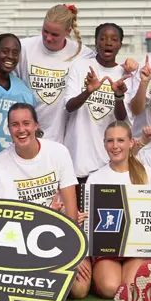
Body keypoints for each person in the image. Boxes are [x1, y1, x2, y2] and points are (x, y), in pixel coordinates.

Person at [0, 103, 88, 297]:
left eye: (26, 123)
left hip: (60, 233)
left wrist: (73, 254)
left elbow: (71, 207)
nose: (21, 130)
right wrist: (45, 217)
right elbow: (8, 220)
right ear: (8, 129)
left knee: (79, 290)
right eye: (15, 124)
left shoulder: (58, 152)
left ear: (36, 125)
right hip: (23, 239)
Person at [86, 121, 151, 299]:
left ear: (131, 143)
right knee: (111, 288)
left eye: (120, 140)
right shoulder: (95, 178)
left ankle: (145, 274)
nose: (115, 146)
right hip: (108, 250)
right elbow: (90, 221)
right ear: (104, 144)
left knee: (130, 287)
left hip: (138, 247)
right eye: (110, 141)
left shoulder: (147, 173)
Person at [63, 23, 131, 183]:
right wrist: (88, 91)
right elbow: (69, 107)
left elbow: (121, 119)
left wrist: (118, 96)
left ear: (120, 44)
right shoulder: (80, 67)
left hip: (108, 162)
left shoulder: (125, 74)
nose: (108, 43)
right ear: (95, 42)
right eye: (103, 38)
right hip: (79, 160)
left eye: (114, 39)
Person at [18, 4, 95, 143]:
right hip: (24, 133)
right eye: (45, 31)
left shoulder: (83, 54)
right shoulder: (23, 47)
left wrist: (127, 66)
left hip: (60, 136)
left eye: (55, 34)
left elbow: (106, 66)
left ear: (68, 31)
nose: (48, 38)